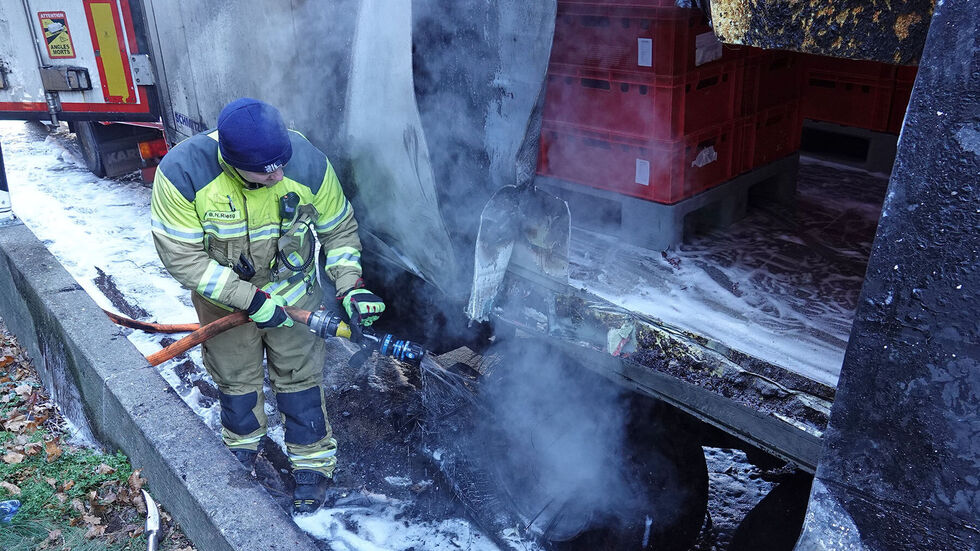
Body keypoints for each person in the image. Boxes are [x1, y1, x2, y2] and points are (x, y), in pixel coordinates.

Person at [150, 97, 385, 514]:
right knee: (237, 382)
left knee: (301, 381)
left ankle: (313, 468)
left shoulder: (308, 163)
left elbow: (339, 230)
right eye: (265, 170)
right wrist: (249, 300)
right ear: (231, 160)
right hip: (227, 306)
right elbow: (184, 258)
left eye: (282, 164)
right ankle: (241, 456)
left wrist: (350, 285)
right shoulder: (183, 173)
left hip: (295, 300)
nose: (278, 177)